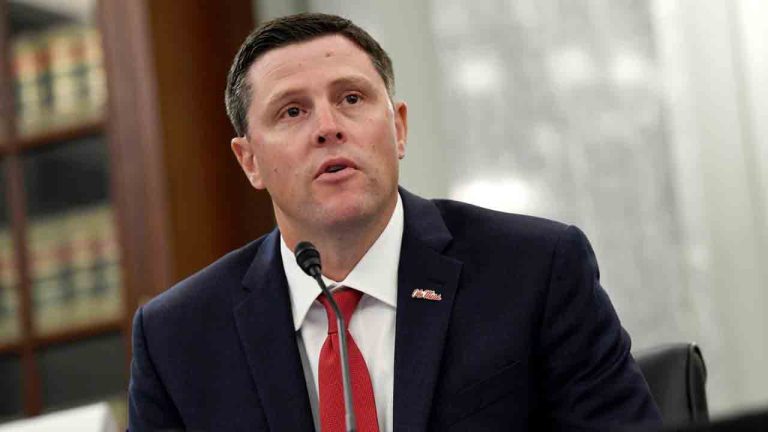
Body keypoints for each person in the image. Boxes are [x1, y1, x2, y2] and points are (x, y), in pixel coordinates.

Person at [128, 12, 662, 431]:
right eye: (292, 111)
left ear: (398, 128)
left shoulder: (534, 271)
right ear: (249, 161)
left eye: (351, 98)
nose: (328, 128)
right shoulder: (178, 338)